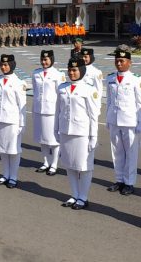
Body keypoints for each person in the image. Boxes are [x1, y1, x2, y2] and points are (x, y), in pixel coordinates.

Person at [56, 57, 100, 210]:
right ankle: (74, 194)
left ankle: (83, 197)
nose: (71, 73)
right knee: (70, 165)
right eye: (70, 70)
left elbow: (94, 116)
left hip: (82, 133)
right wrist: (57, 129)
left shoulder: (89, 90)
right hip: (66, 131)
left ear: (81, 71)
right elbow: (58, 111)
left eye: (74, 70)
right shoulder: (62, 88)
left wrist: (93, 137)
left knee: (84, 166)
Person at [105, 49, 141, 196]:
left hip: (130, 121)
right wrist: (108, 119)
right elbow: (108, 101)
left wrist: (140, 123)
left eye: (122, 61)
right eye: (117, 61)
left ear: (129, 63)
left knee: (131, 153)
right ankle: (119, 179)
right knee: (117, 152)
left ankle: (129, 182)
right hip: (114, 119)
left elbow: (140, 104)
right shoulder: (110, 79)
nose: (119, 63)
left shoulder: (136, 79)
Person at [0, 54, 27, 189]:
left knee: (13, 150)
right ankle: (5, 174)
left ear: (12, 65)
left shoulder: (19, 83)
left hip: (13, 121)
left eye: (6, 65)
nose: (3, 67)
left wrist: (22, 124)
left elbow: (21, 106)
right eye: (1, 64)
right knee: (2, 149)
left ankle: (13, 176)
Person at [32, 50, 66, 175]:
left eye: (46, 59)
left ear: (52, 59)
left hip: (52, 110)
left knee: (53, 139)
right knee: (42, 138)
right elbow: (35, 91)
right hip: (39, 109)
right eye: (42, 59)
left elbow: (61, 93)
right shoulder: (36, 73)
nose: (44, 62)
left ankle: (54, 164)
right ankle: (46, 162)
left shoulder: (58, 74)